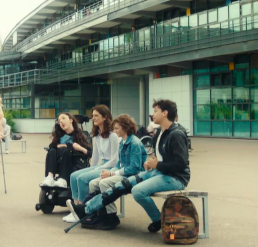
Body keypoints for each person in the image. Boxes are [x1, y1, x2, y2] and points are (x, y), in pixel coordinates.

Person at [68, 99, 190, 233]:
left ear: (165, 113)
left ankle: (158, 219)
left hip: (175, 177)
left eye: (155, 111)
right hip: (159, 172)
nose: (152, 114)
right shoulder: (160, 133)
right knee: (121, 185)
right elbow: (163, 157)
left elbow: (181, 164)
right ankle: (85, 209)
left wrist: (158, 164)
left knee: (137, 191)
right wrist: (151, 163)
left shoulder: (176, 134)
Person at [73, 114, 147, 229]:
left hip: (133, 176)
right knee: (94, 183)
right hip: (122, 173)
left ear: (125, 128)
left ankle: (111, 215)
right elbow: (118, 164)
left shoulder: (135, 143)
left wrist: (112, 174)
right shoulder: (122, 142)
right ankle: (98, 213)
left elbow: (135, 168)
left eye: (117, 128)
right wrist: (108, 173)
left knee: (104, 183)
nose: (115, 131)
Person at [64, 105, 121, 222]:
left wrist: (97, 168)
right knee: (74, 175)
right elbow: (95, 157)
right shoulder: (96, 135)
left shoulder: (113, 135)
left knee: (82, 179)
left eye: (96, 116)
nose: (93, 118)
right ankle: (76, 210)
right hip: (101, 165)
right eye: (93, 116)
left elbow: (115, 160)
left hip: (111, 166)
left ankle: (84, 210)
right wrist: (90, 169)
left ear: (105, 117)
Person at [41, 112, 92, 189]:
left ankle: (63, 179)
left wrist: (70, 147)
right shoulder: (60, 135)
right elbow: (52, 146)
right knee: (52, 151)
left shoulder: (80, 135)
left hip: (74, 161)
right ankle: (50, 177)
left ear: (71, 120)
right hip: (60, 161)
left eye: (63, 118)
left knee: (65, 150)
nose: (61, 121)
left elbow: (90, 152)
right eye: (59, 120)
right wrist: (63, 146)